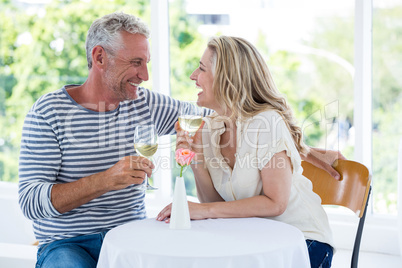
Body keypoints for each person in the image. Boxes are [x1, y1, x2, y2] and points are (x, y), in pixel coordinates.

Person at [18, 12, 342, 268]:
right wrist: (105, 180)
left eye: (146, 63)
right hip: (67, 244)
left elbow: (234, 114)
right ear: (100, 57)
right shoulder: (48, 113)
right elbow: (31, 202)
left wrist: (303, 149)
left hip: (130, 236)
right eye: (135, 62)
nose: (144, 75)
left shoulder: (146, 104)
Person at [157, 36, 338, 268]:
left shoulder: (266, 123)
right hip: (254, 241)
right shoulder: (210, 128)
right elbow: (215, 202)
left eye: (201, 69)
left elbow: (276, 203)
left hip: (301, 242)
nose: (193, 75)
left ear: (226, 78)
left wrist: (201, 210)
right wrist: (196, 159)